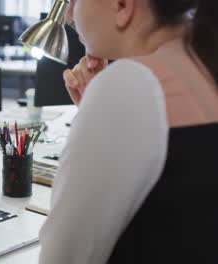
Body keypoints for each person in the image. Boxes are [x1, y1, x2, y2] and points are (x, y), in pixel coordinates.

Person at [39, 0, 218, 263]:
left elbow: (62, 256)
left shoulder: (130, 83)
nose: (68, 14)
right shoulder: (204, 66)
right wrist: (95, 114)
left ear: (122, 6)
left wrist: (103, 106)